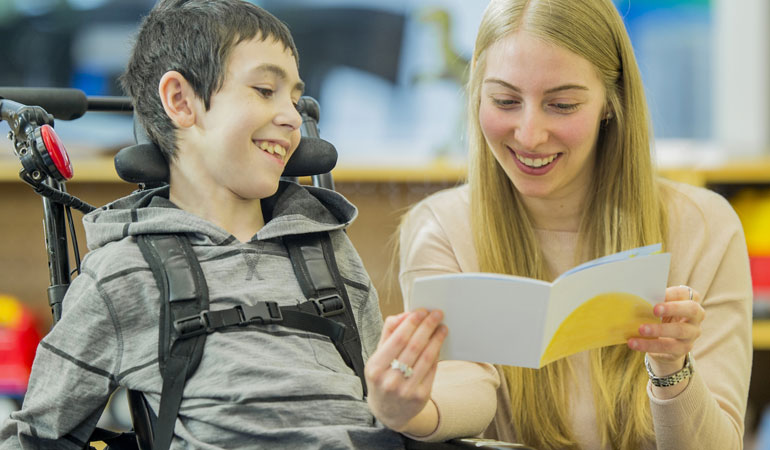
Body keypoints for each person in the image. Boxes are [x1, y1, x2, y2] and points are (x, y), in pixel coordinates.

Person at [0, 0, 406, 448]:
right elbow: (35, 438)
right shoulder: (124, 272)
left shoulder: (327, 249)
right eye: (266, 90)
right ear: (181, 100)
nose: (292, 116)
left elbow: (382, 405)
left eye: (294, 95)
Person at [364, 0, 753, 449]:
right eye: (505, 101)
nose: (529, 135)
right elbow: (467, 381)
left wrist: (672, 368)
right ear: (476, 96)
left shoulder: (703, 227)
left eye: (562, 105)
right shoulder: (442, 227)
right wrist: (410, 408)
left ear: (611, 102)